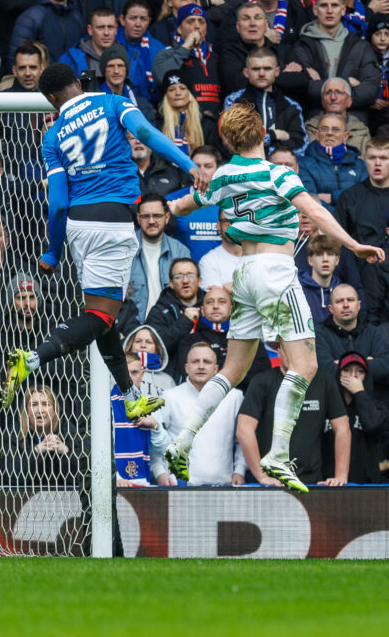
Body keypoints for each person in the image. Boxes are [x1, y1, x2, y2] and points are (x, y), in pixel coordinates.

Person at [163, 103, 384, 492]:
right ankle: (278, 452)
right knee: (307, 366)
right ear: (263, 134)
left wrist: (175, 203)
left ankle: (182, 440)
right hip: (275, 272)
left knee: (232, 371)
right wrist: (353, 245)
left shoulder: (223, 175)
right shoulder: (277, 173)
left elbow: (183, 205)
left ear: (228, 141)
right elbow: (313, 210)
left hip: (243, 273)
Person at [3, 64, 207, 422]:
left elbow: (59, 203)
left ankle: (130, 397)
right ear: (78, 85)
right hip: (113, 222)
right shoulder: (113, 104)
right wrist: (188, 164)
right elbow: (144, 130)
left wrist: (52, 250)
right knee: (99, 316)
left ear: (52, 99)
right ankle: (32, 358)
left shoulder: (52, 137)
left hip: (79, 227)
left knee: (106, 318)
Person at [237, 345, 350, 487]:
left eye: (299, 349)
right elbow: (244, 430)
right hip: (273, 483)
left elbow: (342, 428)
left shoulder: (324, 381)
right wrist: (262, 476)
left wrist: (341, 475)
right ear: (278, 352)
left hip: (312, 481)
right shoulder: (262, 382)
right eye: (288, 349)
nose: (294, 354)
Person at [155, 342, 246, 485]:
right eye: (195, 361)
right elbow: (156, 438)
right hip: (179, 486)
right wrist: (160, 472)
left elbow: (241, 440)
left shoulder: (234, 397)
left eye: (207, 362)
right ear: (186, 367)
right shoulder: (169, 397)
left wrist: (239, 471)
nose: (201, 366)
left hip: (224, 486)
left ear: (216, 369)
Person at [291, 0, 379, 117]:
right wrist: (347, 86)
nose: (329, 10)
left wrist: (323, 87)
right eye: (323, 5)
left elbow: (370, 89)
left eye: (335, 5)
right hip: (316, 122)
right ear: (315, 10)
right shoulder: (302, 46)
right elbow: (305, 89)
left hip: (354, 122)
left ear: (343, 10)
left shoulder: (360, 46)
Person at [222, 46, 307, 153]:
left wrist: (267, 151)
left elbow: (301, 146)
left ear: (277, 71)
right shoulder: (234, 101)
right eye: (255, 69)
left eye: (267, 68)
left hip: (280, 167)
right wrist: (274, 135)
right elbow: (232, 143)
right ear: (246, 72)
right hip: (247, 167)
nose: (261, 74)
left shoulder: (292, 106)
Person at [316, 284, 389, 405]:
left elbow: (385, 366)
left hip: (370, 405)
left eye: (350, 300)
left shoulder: (373, 331)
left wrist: (342, 365)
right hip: (333, 406)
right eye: (339, 301)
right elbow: (325, 369)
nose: (345, 305)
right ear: (330, 308)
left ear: (359, 305)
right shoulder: (319, 333)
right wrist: (366, 364)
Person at [112, 354, 173, 486]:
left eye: (134, 372)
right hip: (112, 486)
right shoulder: (106, 407)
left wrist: (155, 427)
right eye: (123, 373)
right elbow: (99, 450)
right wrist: (114, 478)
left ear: (142, 374)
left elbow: (164, 452)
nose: (128, 378)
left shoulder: (150, 406)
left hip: (143, 485)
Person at [129, 193, 191, 321]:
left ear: (167, 217)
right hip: (134, 330)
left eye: (157, 216)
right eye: (146, 216)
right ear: (138, 218)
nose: (151, 221)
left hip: (170, 328)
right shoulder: (126, 250)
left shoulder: (180, 252)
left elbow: (188, 297)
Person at [152, 4, 221, 117]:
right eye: (190, 21)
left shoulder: (217, 57)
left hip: (212, 126)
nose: (197, 26)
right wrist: (185, 48)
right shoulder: (166, 54)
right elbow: (161, 77)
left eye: (201, 22)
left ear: (206, 29)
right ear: (179, 29)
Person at [333, 353, 388, 483]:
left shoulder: (377, 408)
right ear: (338, 374)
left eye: (360, 372)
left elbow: (372, 425)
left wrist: (359, 392)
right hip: (331, 483)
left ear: (366, 377)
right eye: (346, 370)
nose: (353, 376)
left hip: (367, 486)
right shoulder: (329, 408)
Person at [298, 113, 368, 209]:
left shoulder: (360, 165)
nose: (329, 133)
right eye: (324, 129)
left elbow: (365, 197)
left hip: (356, 221)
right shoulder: (303, 164)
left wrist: (332, 197)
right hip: (322, 222)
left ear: (345, 136)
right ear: (317, 135)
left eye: (335, 129)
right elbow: (311, 202)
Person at [336, 135, 389, 247]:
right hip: (360, 263)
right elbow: (338, 242)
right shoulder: (349, 197)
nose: (377, 163)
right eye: (372, 158)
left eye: (383, 158)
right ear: (365, 160)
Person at [7, 0, 84, 69]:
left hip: (73, 81)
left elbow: (85, 59)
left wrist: (87, 83)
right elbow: (16, 63)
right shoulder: (32, 17)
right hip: (42, 82)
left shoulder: (77, 17)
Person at [116, 0, 165, 105]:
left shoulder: (158, 48)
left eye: (143, 19)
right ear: (122, 20)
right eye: (133, 18)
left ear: (149, 22)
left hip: (149, 107)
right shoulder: (110, 43)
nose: (138, 24)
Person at [157, 71, 217, 156]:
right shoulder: (157, 124)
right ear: (166, 96)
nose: (178, 93)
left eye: (182, 88)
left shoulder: (206, 124)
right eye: (171, 89)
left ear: (190, 93)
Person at [304, 78, 371, 152]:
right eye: (328, 93)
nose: (333, 97)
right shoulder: (310, 128)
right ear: (322, 102)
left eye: (339, 92)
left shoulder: (361, 130)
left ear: (349, 102)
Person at [59, 6, 118, 82]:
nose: (106, 33)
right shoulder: (69, 59)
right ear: (90, 30)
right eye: (101, 27)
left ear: (116, 30)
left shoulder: (130, 56)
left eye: (110, 27)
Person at [299, 234, 343, 323]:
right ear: (310, 260)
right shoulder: (297, 290)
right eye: (319, 255)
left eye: (330, 254)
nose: (325, 259)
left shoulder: (341, 292)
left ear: (337, 260)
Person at [198, 214, 243, 289]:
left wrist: (233, 287)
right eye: (226, 221)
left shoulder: (259, 256)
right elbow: (217, 298)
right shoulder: (208, 261)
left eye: (236, 220)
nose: (230, 225)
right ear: (219, 225)